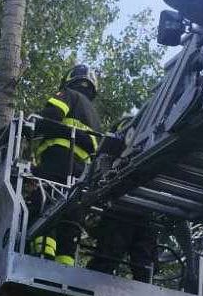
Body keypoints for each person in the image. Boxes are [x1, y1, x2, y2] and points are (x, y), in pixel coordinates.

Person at [28, 64, 103, 267]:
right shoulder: (95, 117)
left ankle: (42, 257)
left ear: (69, 80)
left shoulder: (69, 95)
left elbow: (52, 115)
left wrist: (29, 125)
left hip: (57, 160)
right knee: (69, 221)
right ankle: (64, 267)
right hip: (81, 173)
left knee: (43, 206)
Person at [86, 115, 159, 282]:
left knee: (143, 263)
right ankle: (90, 284)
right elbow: (103, 158)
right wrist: (108, 180)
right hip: (123, 205)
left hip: (140, 208)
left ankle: (143, 290)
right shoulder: (127, 127)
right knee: (110, 255)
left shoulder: (150, 132)